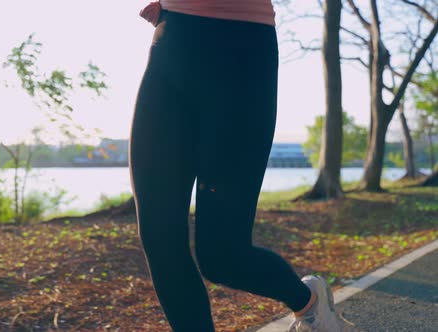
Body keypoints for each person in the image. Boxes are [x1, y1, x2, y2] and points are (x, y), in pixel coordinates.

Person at [128, 1, 343, 331]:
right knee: (159, 238)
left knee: (223, 257)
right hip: (171, 42)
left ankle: (310, 303)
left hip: (240, 49)